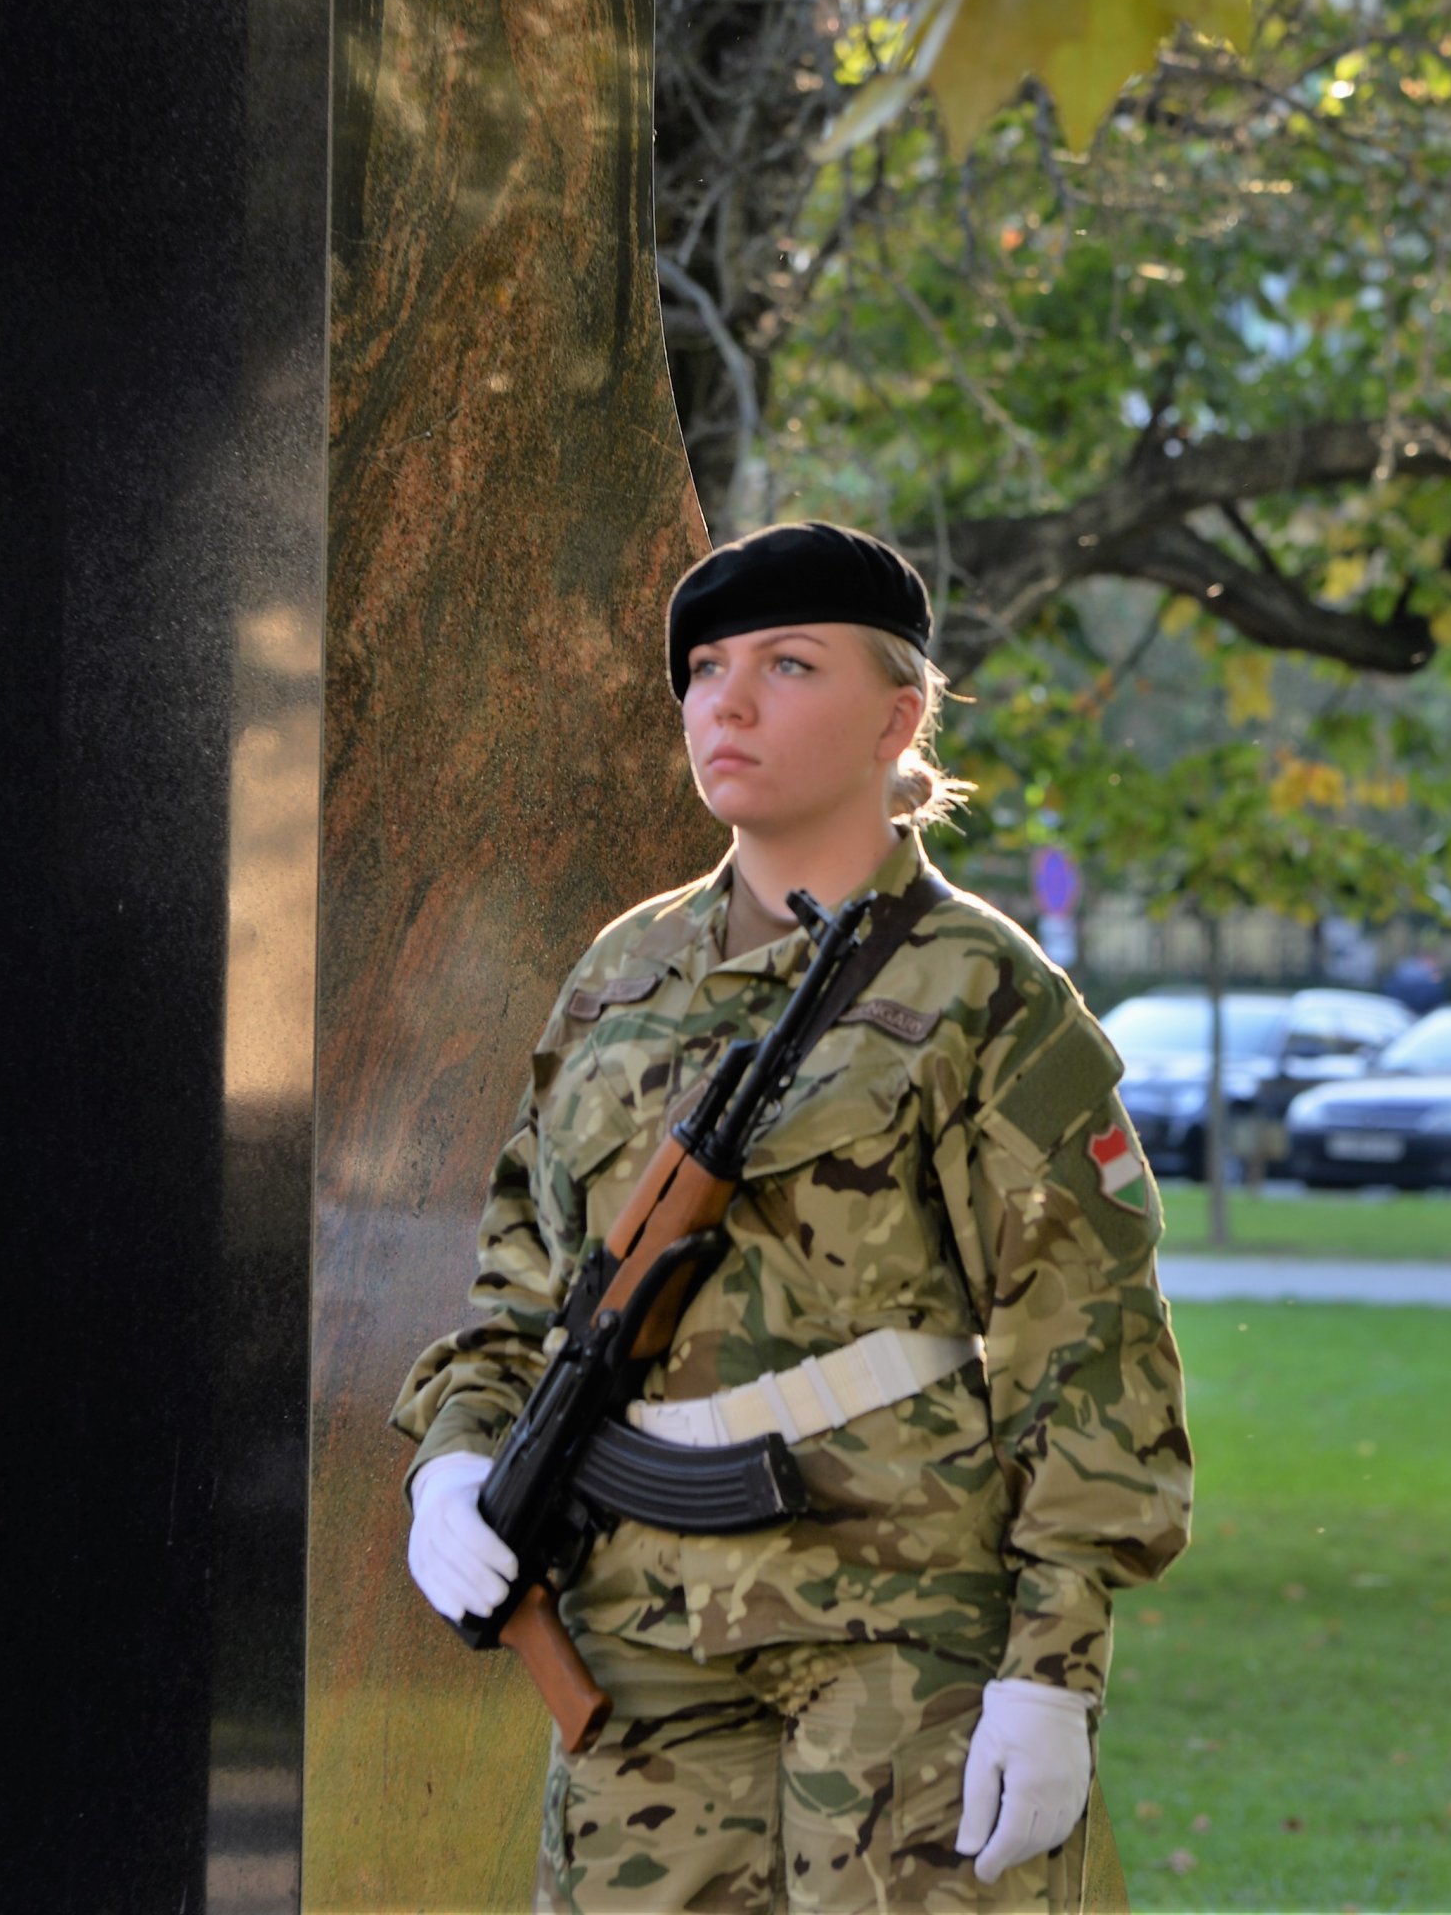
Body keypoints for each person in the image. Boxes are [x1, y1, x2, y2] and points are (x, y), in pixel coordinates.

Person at [394, 521, 1192, 1912]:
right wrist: (455, 1466)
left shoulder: (982, 994)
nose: (729, 704)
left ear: (899, 714)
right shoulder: (618, 977)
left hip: (900, 1622)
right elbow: (523, 1284)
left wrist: (1050, 1673)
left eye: (787, 664)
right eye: (704, 671)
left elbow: (1091, 1346)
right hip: (636, 1624)